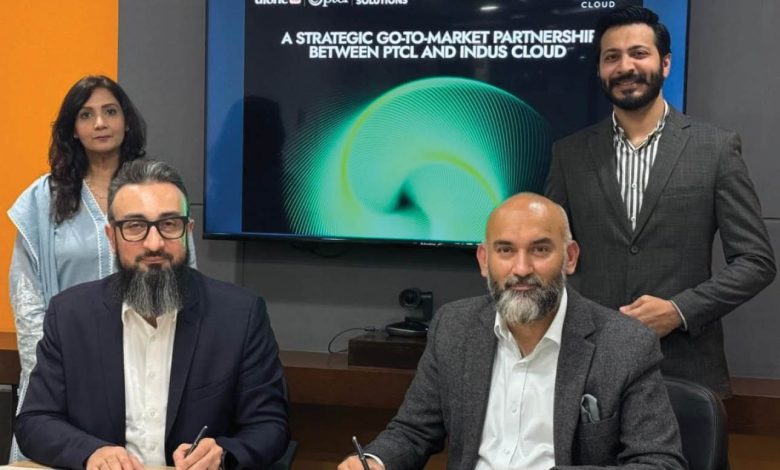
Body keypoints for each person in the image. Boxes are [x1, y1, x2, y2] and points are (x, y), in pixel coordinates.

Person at [339, 193, 685, 470]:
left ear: (569, 257)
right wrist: (374, 461)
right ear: (484, 260)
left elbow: (659, 462)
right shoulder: (454, 327)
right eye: (505, 250)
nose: (521, 268)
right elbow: (413, 432)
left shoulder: (625, 344)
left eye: (540, 249)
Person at [545, 6, 776, 397]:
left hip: (687, 369)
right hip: (592, 366)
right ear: (600, 69)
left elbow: (756, 262)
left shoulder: (715, 148)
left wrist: (679, 310)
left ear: (665, 63)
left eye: (639, 53)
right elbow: (547, 253)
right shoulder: (569, 154)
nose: (625, 67)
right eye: (612, 57)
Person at [14, 159, 287, 470]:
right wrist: (92, 452)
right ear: (111, 237)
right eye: (135, 226)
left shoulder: (239, 315)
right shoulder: (70, 315)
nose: (154, 243)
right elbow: (35, 421)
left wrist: (223, 453)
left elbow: (270, 426)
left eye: (169, 224)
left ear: (187, 231)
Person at [6, 75, 197, 462]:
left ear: (126, 121)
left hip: (147, 362)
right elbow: (26, 294)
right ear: (72, 129)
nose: (100, 123)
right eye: (86, 114)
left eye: (110, 111)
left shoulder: (156, 190)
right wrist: (48, 368)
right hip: (66, 364)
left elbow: (184, 272)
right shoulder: (43, 199)